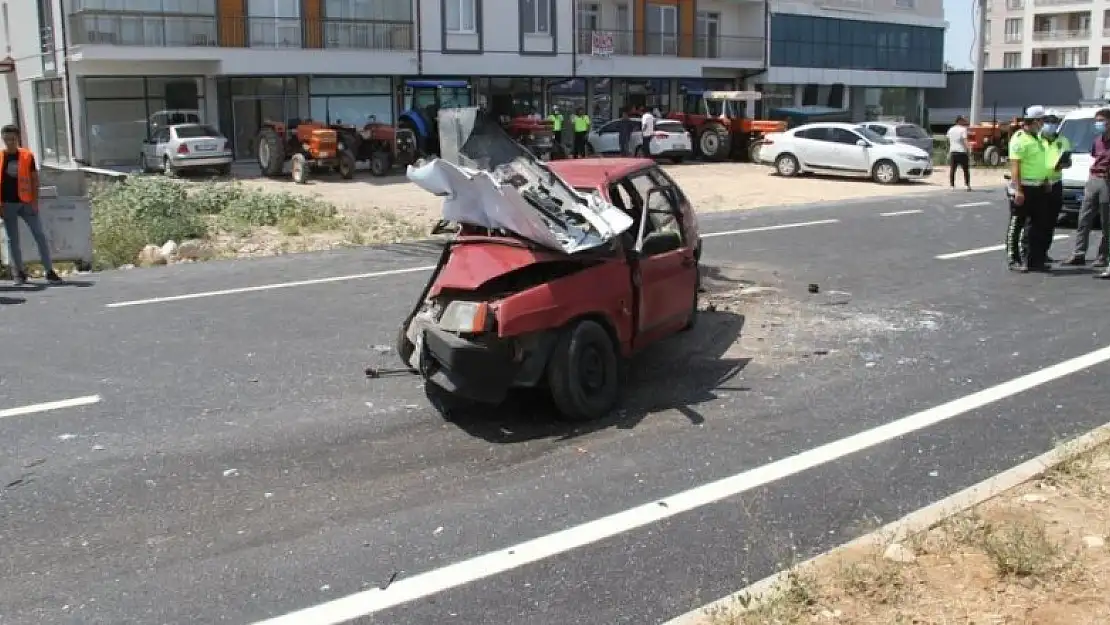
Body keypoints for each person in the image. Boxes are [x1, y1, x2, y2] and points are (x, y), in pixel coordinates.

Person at [0, 125, 61, 285]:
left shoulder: (27, 156)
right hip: (8, 204)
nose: (9, 143)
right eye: (6, 140)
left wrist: (35, 201)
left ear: (18, 138)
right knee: (13, 240)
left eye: (12, 139)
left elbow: (34, 179)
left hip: (27, 203)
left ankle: (49, 271)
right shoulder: (0, 157)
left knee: (39, 235)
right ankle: (19, 273)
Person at [1007, 106, 1053, 273]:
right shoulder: (1019, 139)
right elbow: (1015, 166)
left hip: (1039, 187)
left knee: (1037, 225)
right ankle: (1014, 259)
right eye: (1041, 121)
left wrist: (1046, 180)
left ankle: (1033, 260)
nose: (1043, 124)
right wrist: (1018, 190)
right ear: (1034, 121)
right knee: (1017, 224)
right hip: (1024, 187)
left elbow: (1042, 162)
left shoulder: (1039, 138)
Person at [1065, 107, 1110, 270]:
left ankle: (1103, 255)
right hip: (1093, 179)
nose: (1098, 124)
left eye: (1102, 121)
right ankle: (1079, 253)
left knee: (1106, 221)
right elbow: (1094, 157)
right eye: (1097, 121)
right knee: (1084, 218)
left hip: (1107, 181)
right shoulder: (1097, 141)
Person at [1039, 109, 1071, 265]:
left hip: (1056, 182)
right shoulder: (1037, 140)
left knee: (1050, 221)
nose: (1051, 126)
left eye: (1054, 124)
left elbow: (1068, 160)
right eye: (1048, 123)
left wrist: (1064, 163)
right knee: (1035, 221)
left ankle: (1044, 252)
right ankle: (1029, 252)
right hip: (1039, 183)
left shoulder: (1063, 141)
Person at [946, 115, 971, 190]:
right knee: (965, 169)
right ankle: (966, 185)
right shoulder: (963, 129)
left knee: (953, 169)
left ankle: (952, 185)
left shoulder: (951, 129)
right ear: (959, 121)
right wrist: (968, 149)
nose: (964, 121)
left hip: (953, 151)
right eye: (963, 120)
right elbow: (965, 140)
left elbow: (948, 140)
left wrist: (949, 150)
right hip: (962, 151)